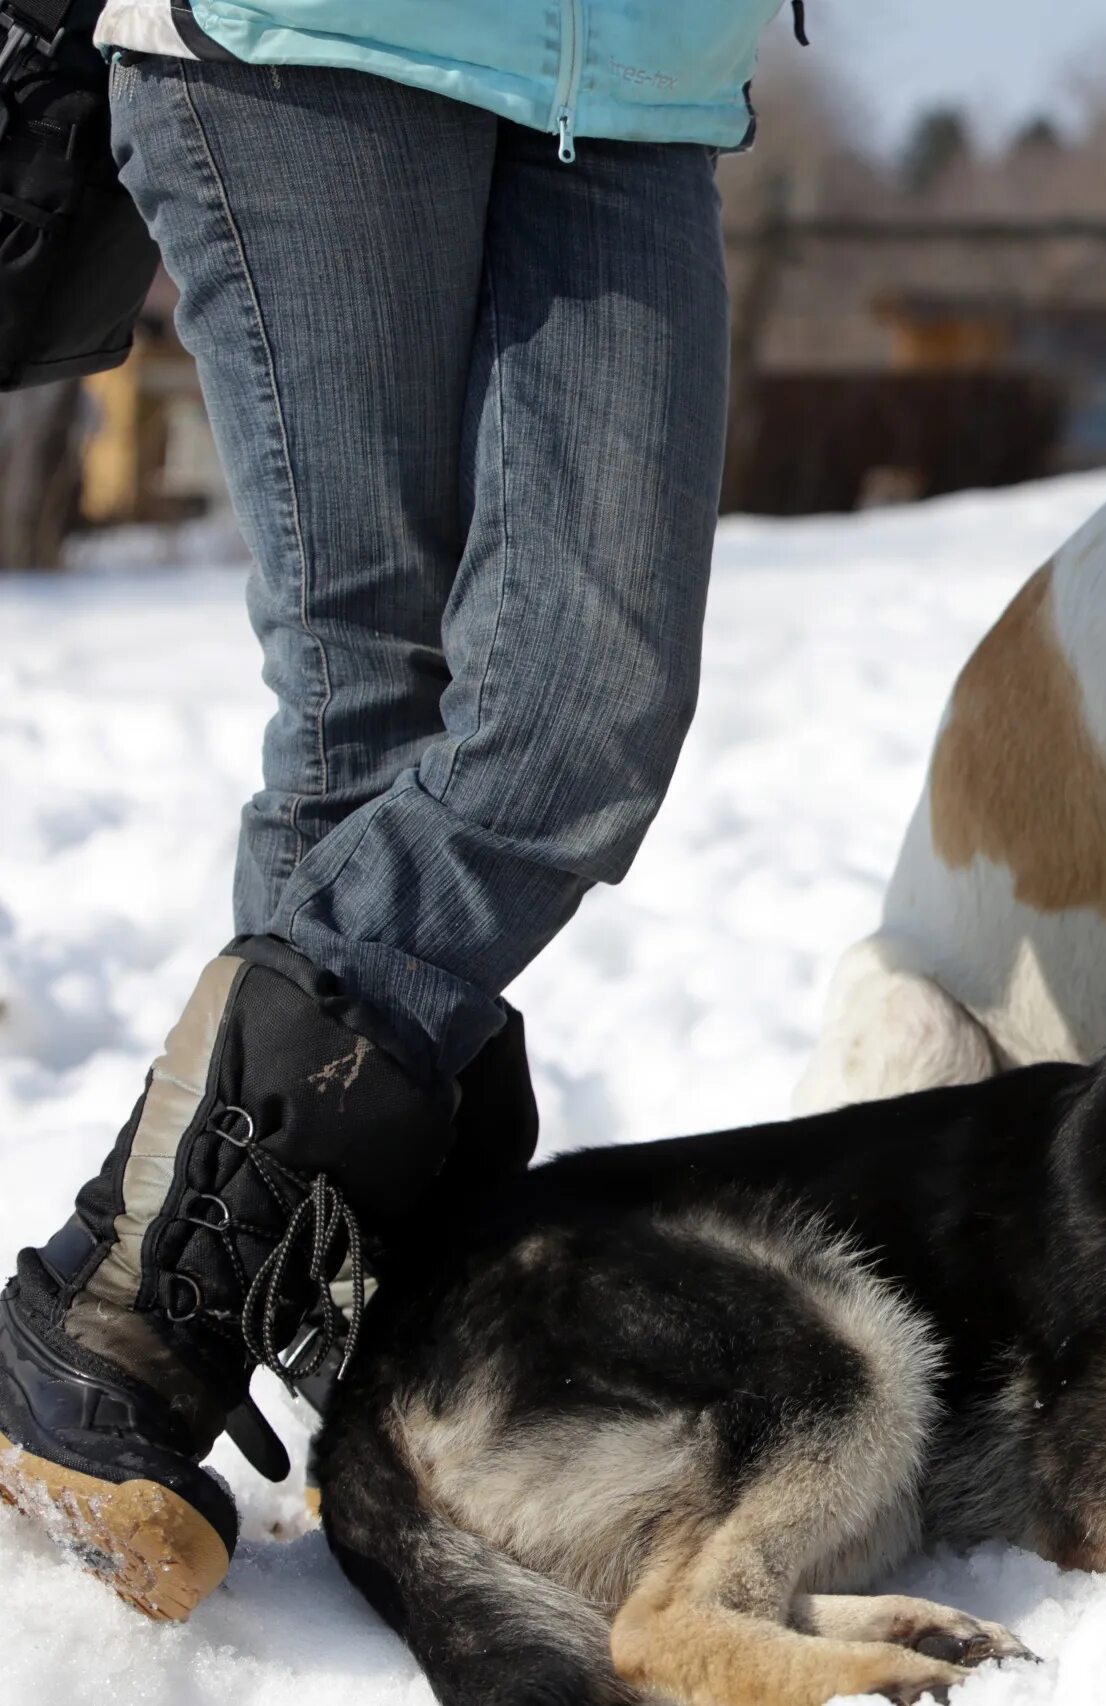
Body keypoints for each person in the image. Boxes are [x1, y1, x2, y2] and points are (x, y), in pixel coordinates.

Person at [0, 0, 792, 1620]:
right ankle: (268, 1362)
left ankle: (135, 1291)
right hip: (312, 36)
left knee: (584, 707)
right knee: (366, 700)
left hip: (640, 62)